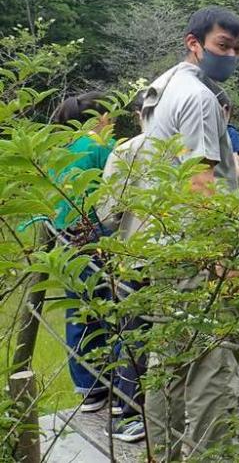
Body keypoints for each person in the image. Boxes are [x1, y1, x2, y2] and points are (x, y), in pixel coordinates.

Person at [141, 6, 239, 460]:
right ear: (194, 42)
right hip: (198, 253)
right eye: (223, 46)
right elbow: (199, 182)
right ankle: (210, 455)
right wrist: (220, 257)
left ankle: (163, 453)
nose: (231, 56)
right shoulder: (201, 99)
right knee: (210, 365)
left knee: (169, 360)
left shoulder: (162, 89)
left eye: (238, 49)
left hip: (163, 243)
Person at [50, 92, 116, 415]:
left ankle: (87, 388)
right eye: (111, 118)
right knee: (107, 306)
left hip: (63, 234)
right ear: (100, 119)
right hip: (93, 232)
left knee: (77, 309)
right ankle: (114, 382)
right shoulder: (100, 145)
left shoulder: (62, 149)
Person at [95, 92, 153, 442]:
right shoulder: (195, 148)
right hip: (187, 260)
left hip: (135, 257)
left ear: (138, 114)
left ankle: (130, 413)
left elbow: (107, 212)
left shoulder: (127, 150)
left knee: (134, 335)